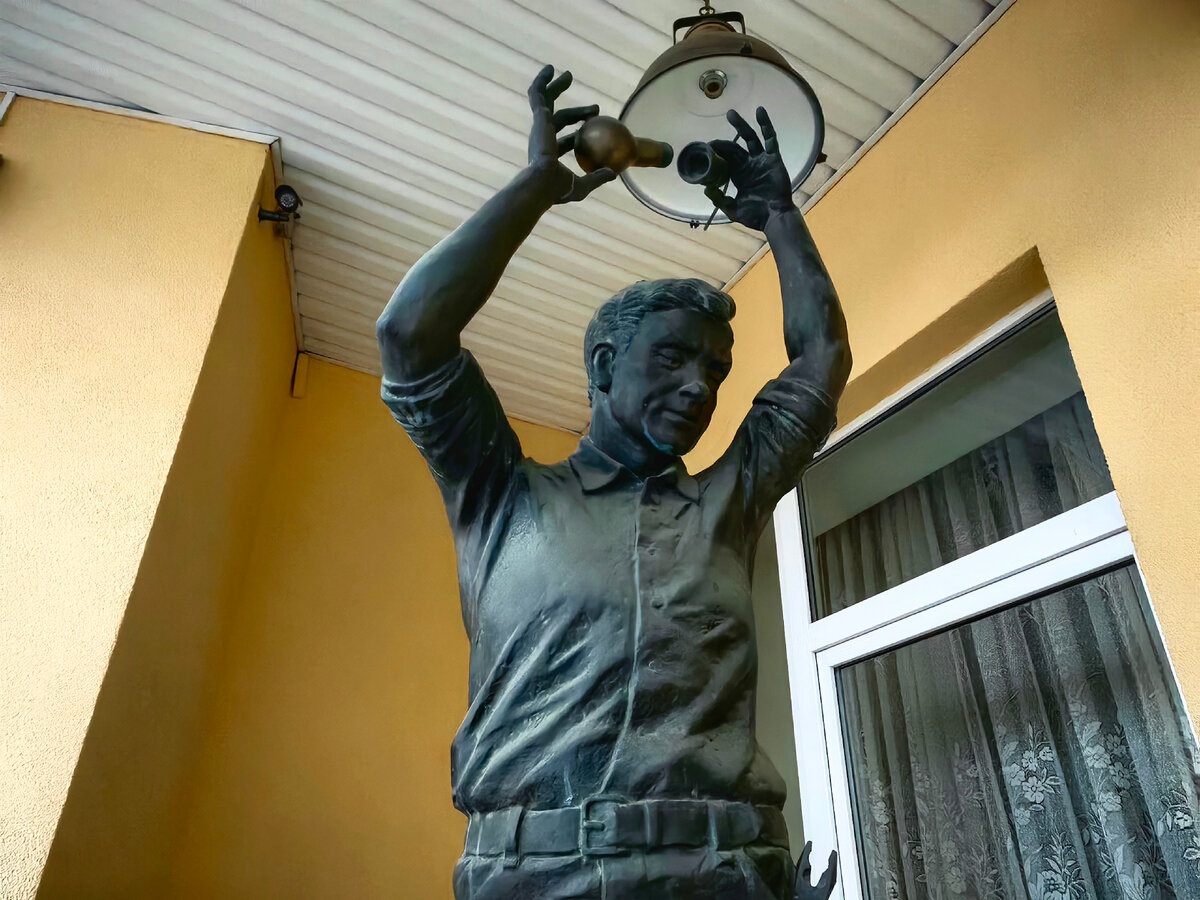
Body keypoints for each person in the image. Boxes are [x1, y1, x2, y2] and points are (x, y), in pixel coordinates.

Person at [376, 65, 850, 900]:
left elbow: (821, 359)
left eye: (715, 369)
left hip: (731, 875)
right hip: (538, 880)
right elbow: (410, 335)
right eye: (672, 358)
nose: (700, 386)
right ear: (603, 364)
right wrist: (535, 188)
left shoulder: (728, 503)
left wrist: (778, 215)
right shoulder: (503, 496)